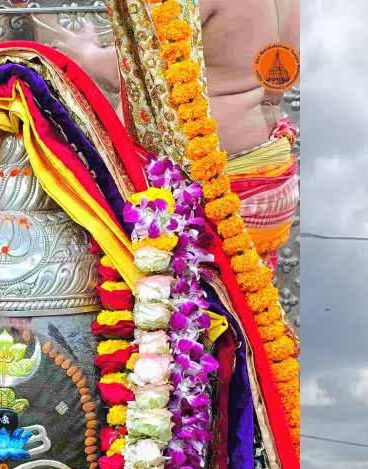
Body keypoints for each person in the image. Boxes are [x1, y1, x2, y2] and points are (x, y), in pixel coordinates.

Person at [41, 0, 300, 268]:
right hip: (270, 172)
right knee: (247, 305)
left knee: (188, 305)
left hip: (217, 187)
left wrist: (88, 54)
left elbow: (143, 70)